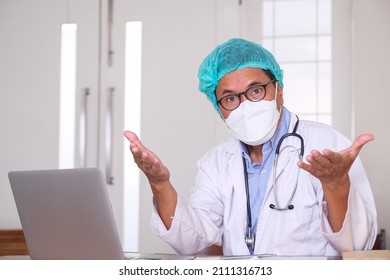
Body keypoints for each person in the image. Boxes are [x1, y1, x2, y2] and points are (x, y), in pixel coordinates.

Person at [124, 38, 377, 256]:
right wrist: (160, 185)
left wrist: (336, 186)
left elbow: (358, 246)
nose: (245, 105)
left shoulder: (327, 145)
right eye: (231, 98)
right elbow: (194, 240)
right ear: (220, 109)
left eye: (256, 90)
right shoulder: (216, 163)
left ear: (279, 91)